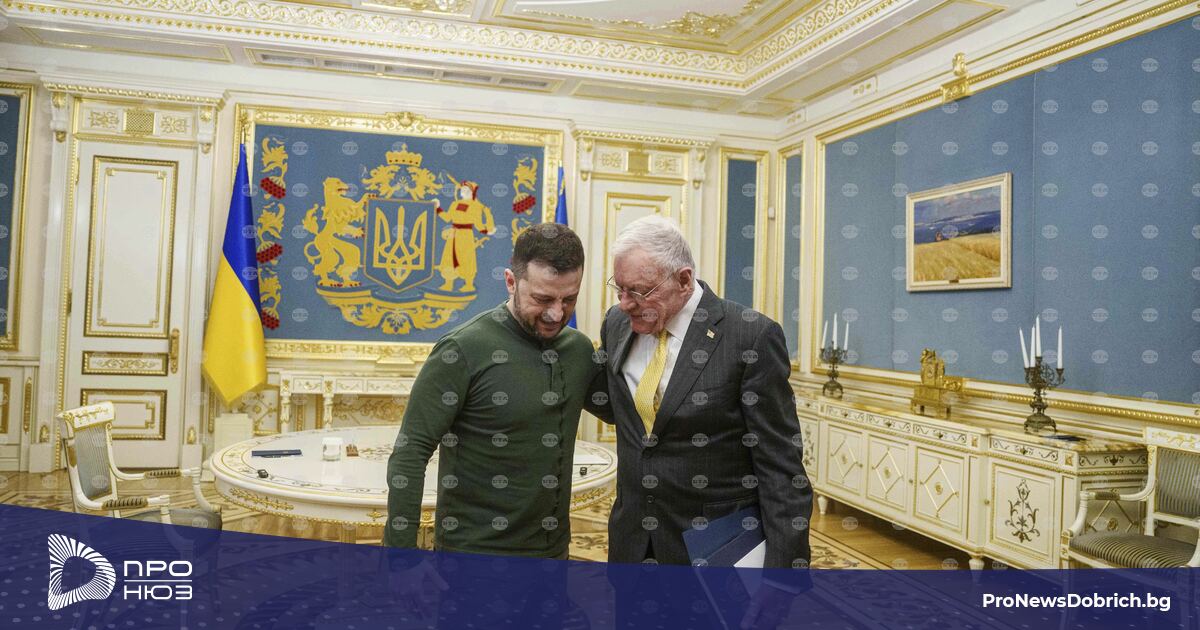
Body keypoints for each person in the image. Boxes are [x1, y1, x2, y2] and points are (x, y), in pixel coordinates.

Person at [587, 215, 812, 628]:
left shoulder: (749, 337)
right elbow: (622, 409)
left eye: (638, 291)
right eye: (619, 288)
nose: (625, 303)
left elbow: (780, 463)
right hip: (634, 551)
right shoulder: (618, 324)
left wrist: (783, 576)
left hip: (717, 555)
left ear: (684, 280)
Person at [384, 221, 597, 558]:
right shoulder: (462, 350)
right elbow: (410, 454)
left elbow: (629, 412)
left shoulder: (580, 351)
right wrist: (400, 559)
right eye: (542, 299)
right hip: (471, 557)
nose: (557, 314)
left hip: (553, 555)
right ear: (511, 282)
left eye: (569, 299)